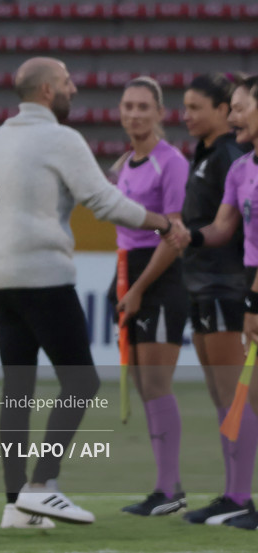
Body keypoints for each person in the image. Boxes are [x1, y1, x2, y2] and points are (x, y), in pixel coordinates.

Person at [0, 57, 176, 526]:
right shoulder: (60, 138)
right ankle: (42, 484)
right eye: (66, 82)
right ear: (46, 91)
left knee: (17, 390)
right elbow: (103, 202)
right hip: (44, 275)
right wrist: (163, 222)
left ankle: (14, 506)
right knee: (82, 380)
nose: (74, 89)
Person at [171, 74, 258, 530]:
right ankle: (235, 495)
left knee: (239, 398)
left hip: (235, 289)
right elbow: (223, 225)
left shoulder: (228, 155)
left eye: (241, 106)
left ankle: (241, 497)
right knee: (226, 398)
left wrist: (254, 301)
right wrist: (190, 235)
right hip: (217, 286)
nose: (235, 114)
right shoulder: (238, 166)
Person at [107, 76, 190, 516]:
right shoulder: (124, 163)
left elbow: (173, 236)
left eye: (143, 106)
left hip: (160, 278)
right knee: (144, 386)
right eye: (128, 106)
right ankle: (164, 486)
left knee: (157, 385)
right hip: (130, 273)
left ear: (160, 113)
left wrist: (138, 289)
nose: (134, 114)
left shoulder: (170, 162)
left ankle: (169, 488)